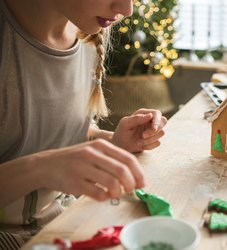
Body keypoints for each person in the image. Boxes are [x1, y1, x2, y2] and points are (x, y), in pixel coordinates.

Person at [0, 0, 167, 248]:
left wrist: (114, 141)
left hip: (61, 224)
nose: (127, 9)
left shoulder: (87, 29)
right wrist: (40, 168)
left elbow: (60, 131)